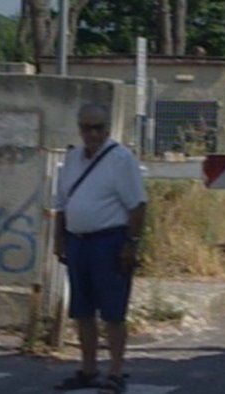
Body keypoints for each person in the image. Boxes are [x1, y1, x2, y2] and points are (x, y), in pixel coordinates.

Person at [53, 104, 147, 393]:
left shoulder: (120, 159)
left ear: (107, 129)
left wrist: (131, 243)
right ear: (80, 129)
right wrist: (59, 240)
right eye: (86, 128)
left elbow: (138, 205)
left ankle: (115, 372)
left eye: (97, 128)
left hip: (109, 242)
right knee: (82, 311)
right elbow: (61, 205)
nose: (91, 134)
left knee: (113, 312)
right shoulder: (71, 160)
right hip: (78, 242)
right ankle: (88, 368)